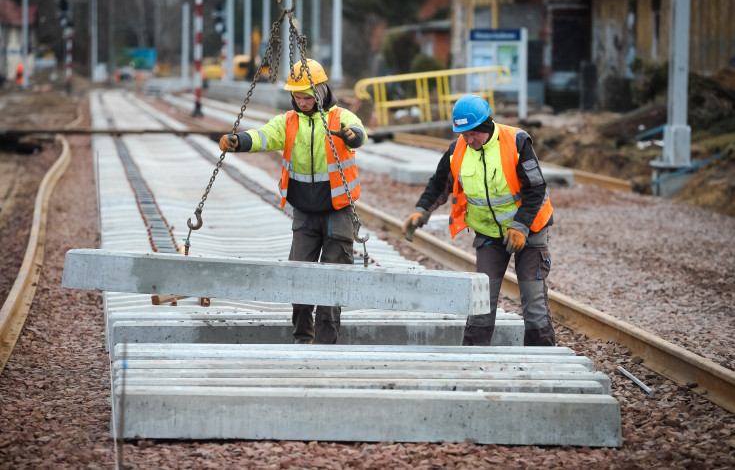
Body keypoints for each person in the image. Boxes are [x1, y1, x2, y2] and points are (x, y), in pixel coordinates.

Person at [219, 59, 367, 345]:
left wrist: (353, 136)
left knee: (332, 281)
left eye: (307, 96)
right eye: (297, 96)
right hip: (305, 213)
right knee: (297, 276)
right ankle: (302, 337)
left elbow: (358, 132)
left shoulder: (340, 117)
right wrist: (239, 141)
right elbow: (264, 136)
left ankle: (325, 343)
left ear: (322, 91)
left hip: (338, 211)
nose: (302, 102)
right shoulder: (288, 122)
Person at [402, 94, 555, 347]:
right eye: (464, 134)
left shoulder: (516, 142)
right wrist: (421, 210)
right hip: (489, 235)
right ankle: (473, 355)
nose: (469, 140)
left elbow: (536, 189)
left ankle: (543, 357)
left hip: (530, 229)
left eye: (474, 133)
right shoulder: (457, 150)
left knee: (533, 297)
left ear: (486, 125)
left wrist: (520, 226)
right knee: (481, 297)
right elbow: (439, 184)